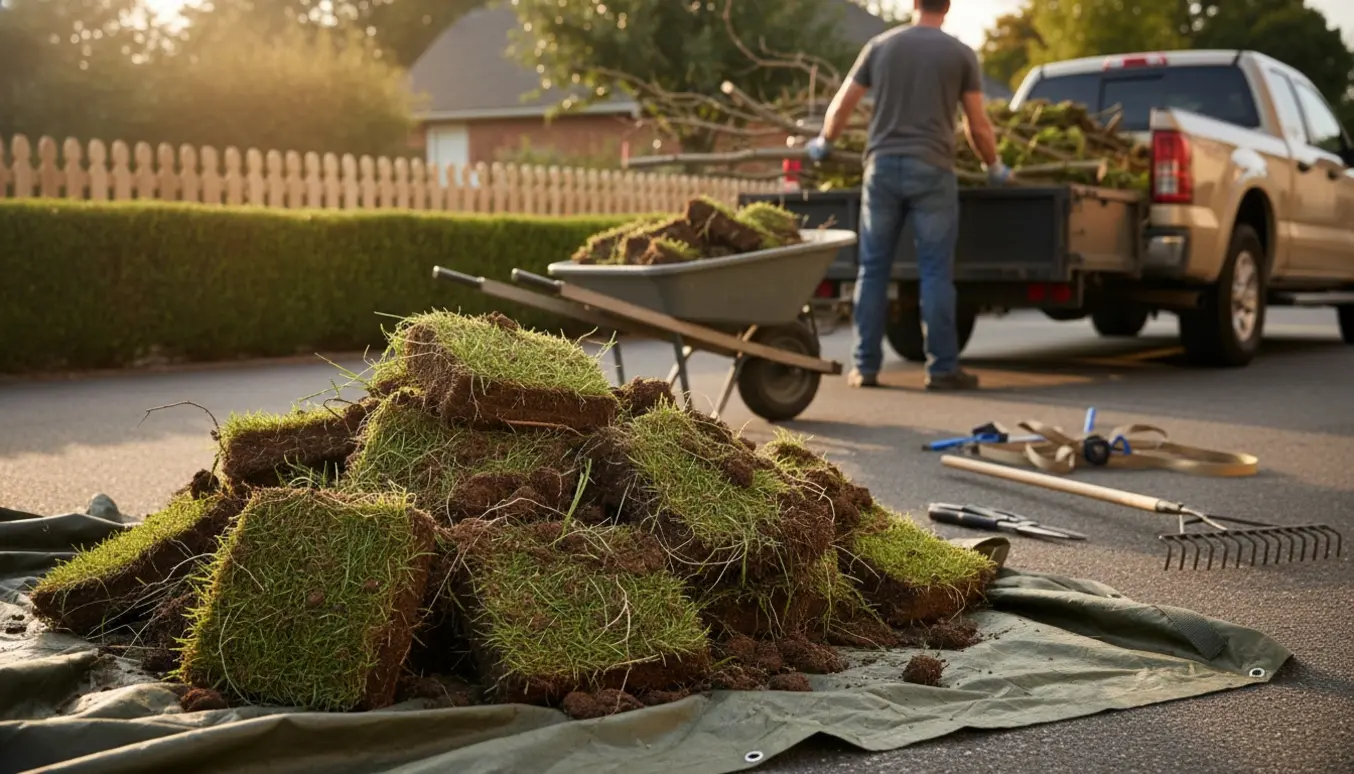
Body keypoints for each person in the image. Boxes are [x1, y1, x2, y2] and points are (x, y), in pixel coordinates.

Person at [806, 0, 1008, 391]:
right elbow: (977, 124)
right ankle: (942, 369)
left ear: (914, 3)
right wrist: (994, 165)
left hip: (881, 169)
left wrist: (824, 143)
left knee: (872, 270)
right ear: (947, 7)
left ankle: (864, 367)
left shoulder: (881, 47)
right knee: (935, 271)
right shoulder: (960, 54)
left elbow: (842, 104)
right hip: (933, 170)